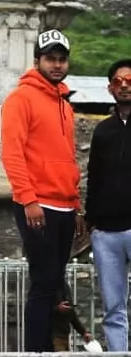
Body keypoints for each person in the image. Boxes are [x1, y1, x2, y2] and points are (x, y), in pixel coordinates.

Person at [0, 29, 85, 353]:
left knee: (54, 283)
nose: (57, 65)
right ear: (37, 60)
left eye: (62, 59)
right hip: (38, 205)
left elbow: (68, 156)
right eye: (51, 58)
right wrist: (29, 199)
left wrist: (76, 205)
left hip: (64, 205)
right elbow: (12, 153)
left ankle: (49, 344)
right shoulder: (20, 99)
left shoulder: (65, 103)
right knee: (43, 281)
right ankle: (36, 349)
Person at [85, 58, 131, 352]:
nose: (124, 85)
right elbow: (94, 178)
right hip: (107, 233)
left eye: (129, 79)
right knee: (113, 308)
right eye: (118, 81)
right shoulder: (102, 131)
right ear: (110, 88)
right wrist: (90, 220)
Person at [52, 281, 94, 352]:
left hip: (63, 336)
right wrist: (57, 309)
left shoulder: (64, 285)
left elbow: (71, 312)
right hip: (52, 336)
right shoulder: (45, 286)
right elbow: (40, 310)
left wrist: (83, 332)